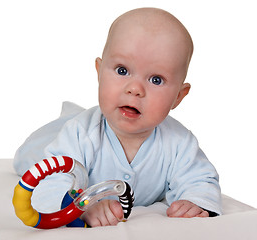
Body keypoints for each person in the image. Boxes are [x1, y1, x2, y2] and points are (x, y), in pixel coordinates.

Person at [14, 7, 222, 227]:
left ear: (178, 97)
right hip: (54, 140)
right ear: (99, 71)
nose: (135, 89)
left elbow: (200, 179)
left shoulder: (179, 142)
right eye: (122, 70)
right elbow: (49, 184)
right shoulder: (79, 134)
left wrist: (196, 201)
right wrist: (81, 207)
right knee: (30, 156)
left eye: (156, 80)